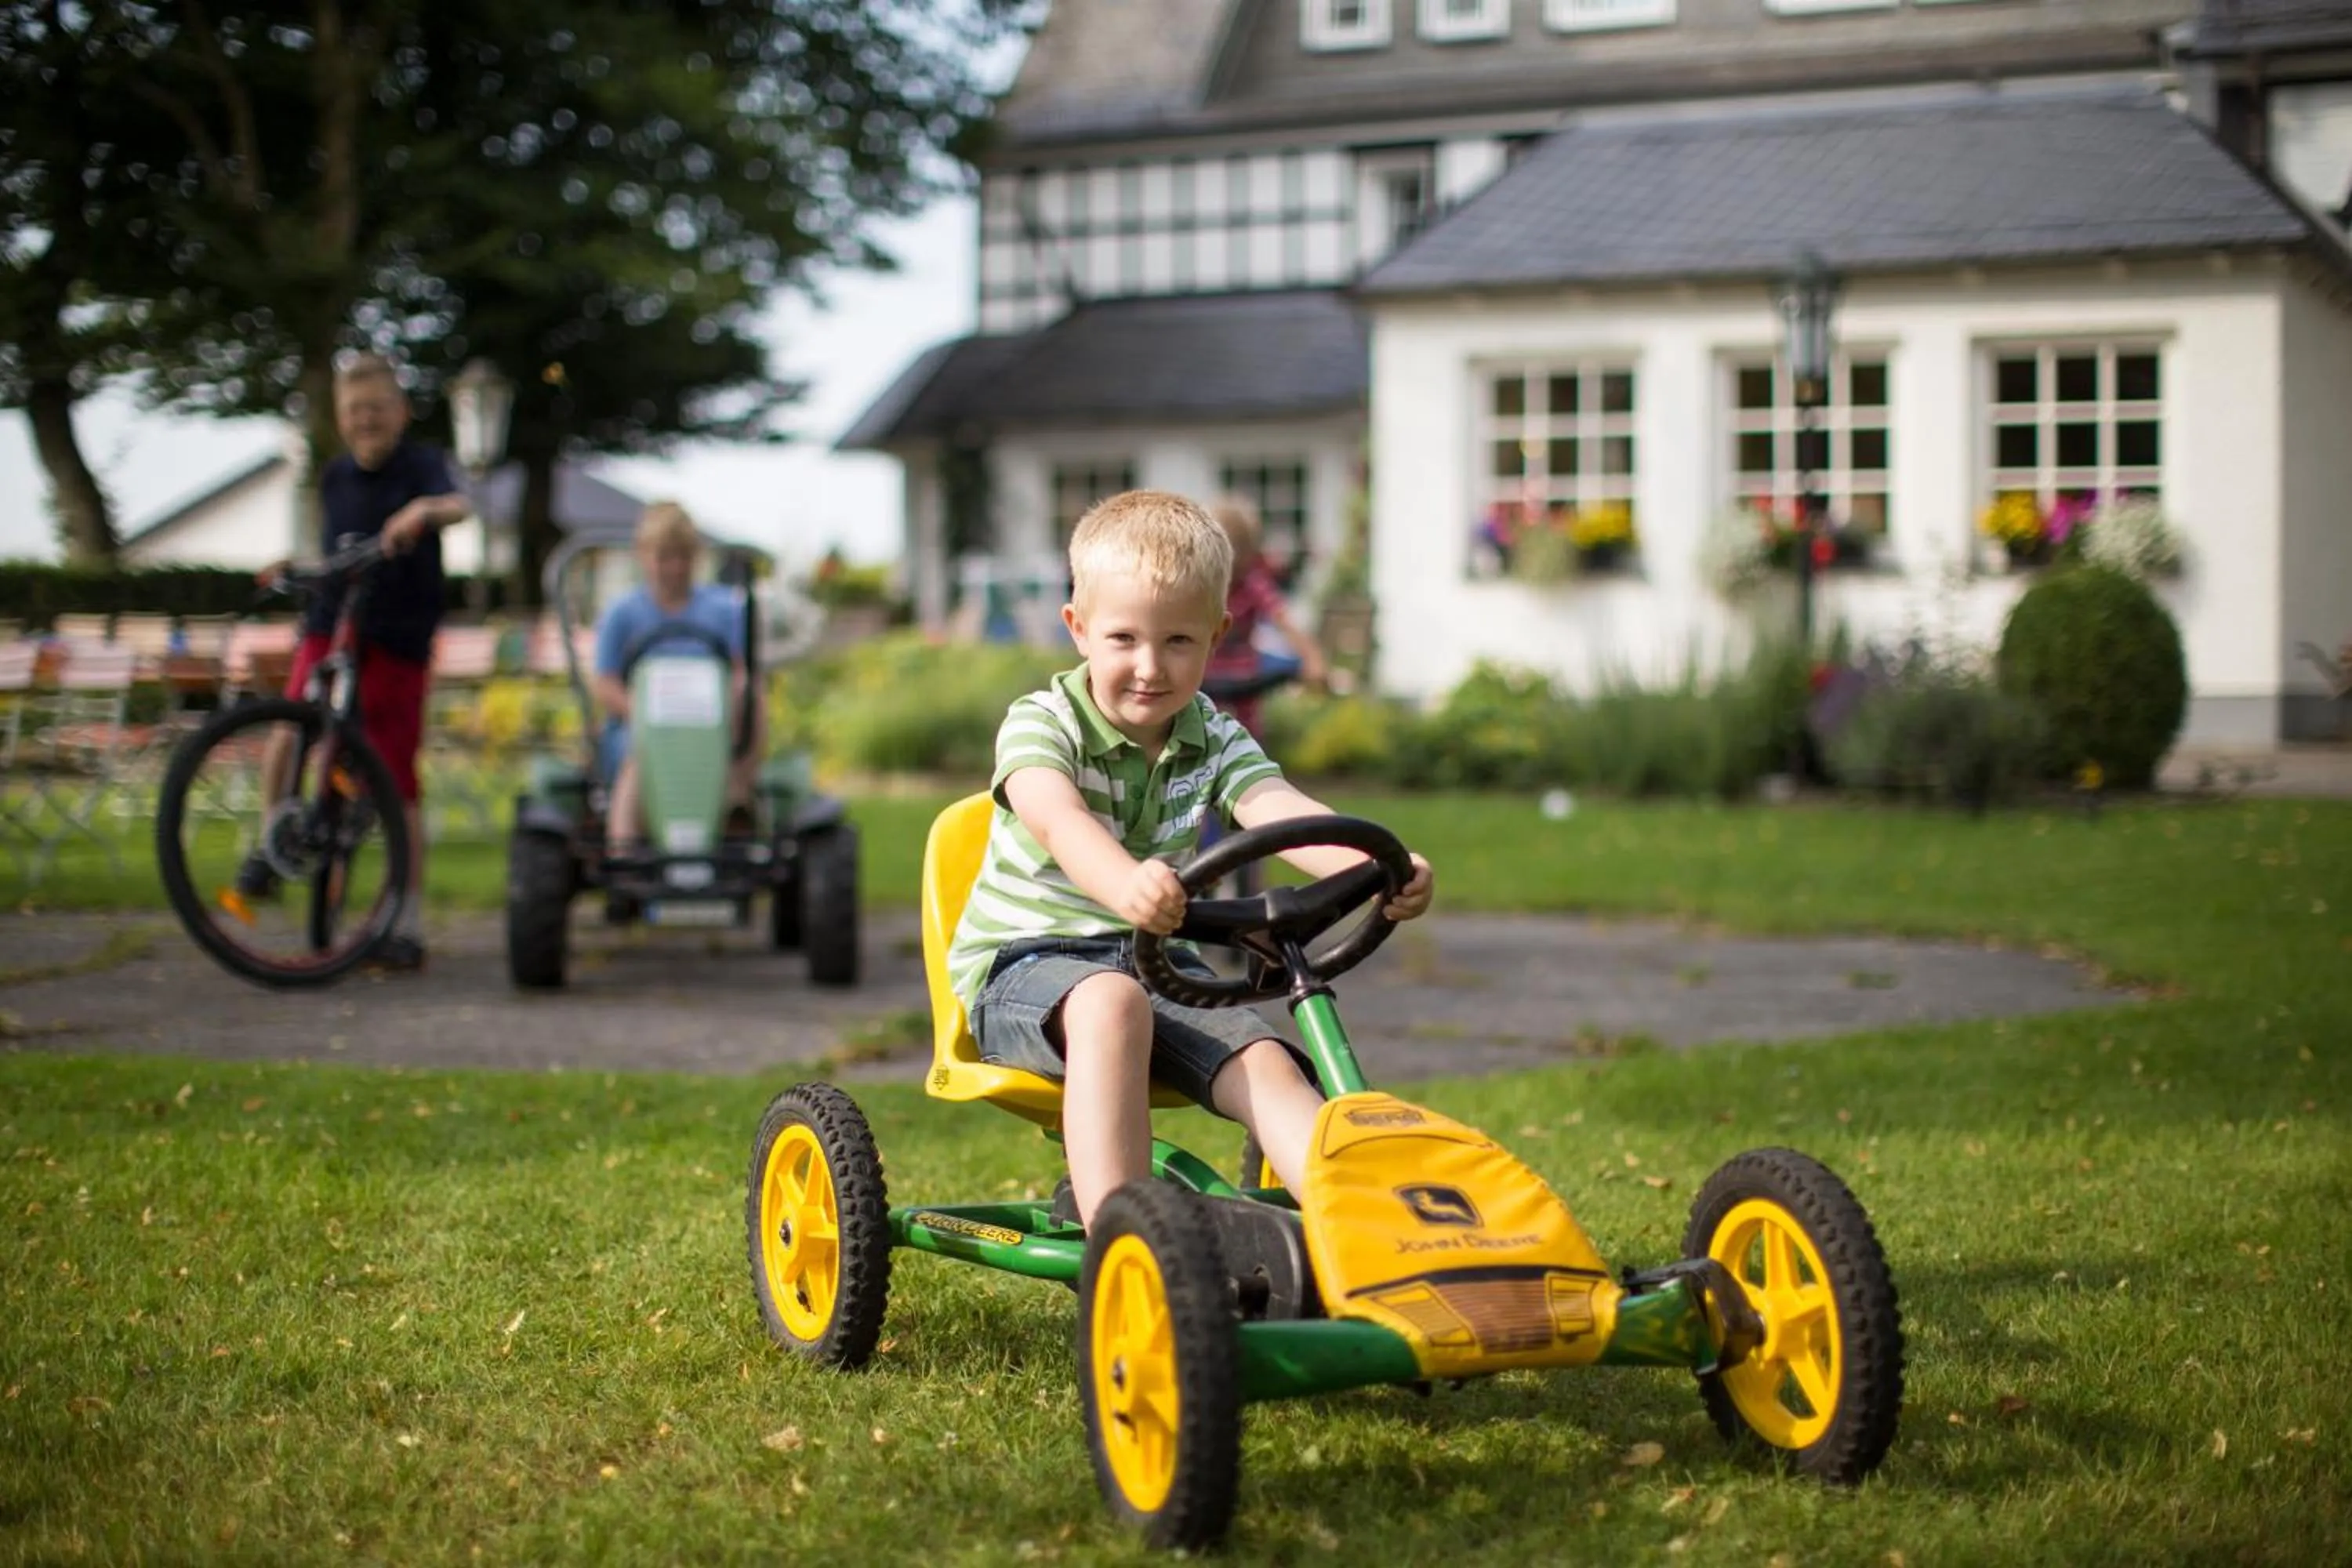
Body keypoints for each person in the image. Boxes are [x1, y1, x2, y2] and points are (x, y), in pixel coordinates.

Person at [945, 489, 1436, 1228]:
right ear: (1078, 630)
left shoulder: (1213, 733)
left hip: (1155, 962)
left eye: (1178, 641)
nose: (1151, 667)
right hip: (1024, 968)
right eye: (1124, 640)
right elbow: (1059, 821)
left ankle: (1364, 1228)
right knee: (1112, 1003)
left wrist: (1376, 864)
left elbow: (1279, 810)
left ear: (1217, 635)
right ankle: (1126, 1240)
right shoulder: (1043, 724)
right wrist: (1124, 884)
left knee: (1266, 1059)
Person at [238, 352, 473, 974]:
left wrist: (423, 511)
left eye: (376, 409)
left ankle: (405, 916)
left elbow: (461, 504)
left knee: (396, 779)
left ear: (400, 412)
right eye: (354, 411)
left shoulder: (422, 465)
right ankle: (273, 841)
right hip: (332, 623)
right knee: (290, 728)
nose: (366, 421)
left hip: (396, 635)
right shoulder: (335, 477)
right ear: (340, 419)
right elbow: (331, 549)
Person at [591, 501, 760, 851]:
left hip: (712, 726)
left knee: (756, 697)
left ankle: (737, 800)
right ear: (643, 555)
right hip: (641, 730)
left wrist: (735, 698)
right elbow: (604, 683)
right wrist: (639, 709)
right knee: (640, 759)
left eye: (684, 557)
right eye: (665, 557)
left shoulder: (723, 609)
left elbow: (741, 670)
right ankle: (623, 849)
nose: (675, 568)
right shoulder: (623, 613)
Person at [1205, 493, 1328, 739]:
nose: (1235, 564)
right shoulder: (1202, 585)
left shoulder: (1253, 584)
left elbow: (1283, 619)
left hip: (1244, 682)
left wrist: (1313, 659)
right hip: (1204, 679)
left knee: (1246, 737)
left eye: (1243, 551)